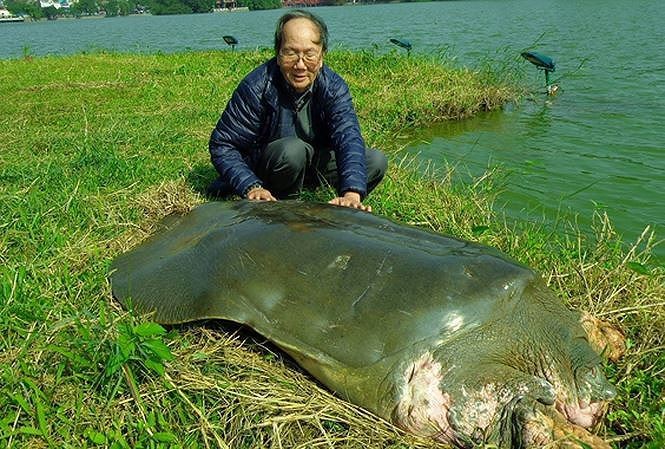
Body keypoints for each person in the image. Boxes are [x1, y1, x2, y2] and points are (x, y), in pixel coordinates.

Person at [207, 10, 387, 212]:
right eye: (291, 53)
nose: (300, 65)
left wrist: (352, 193)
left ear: (321, 56)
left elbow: (348, 137)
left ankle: (322, 197)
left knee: (375, 161)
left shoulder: (334, 87)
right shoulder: (256, 86)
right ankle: (285, 205)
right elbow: (223, 145)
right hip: (269, 166)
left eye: (309, 54)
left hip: (312, 164)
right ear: (278, 54)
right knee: (292, 151)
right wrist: (251, 186)